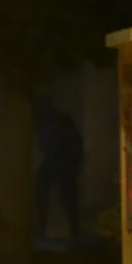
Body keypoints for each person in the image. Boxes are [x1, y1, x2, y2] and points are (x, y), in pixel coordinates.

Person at [34, 95, 83, 239]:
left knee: (66, 196)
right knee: (48, 192)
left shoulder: (59, 121)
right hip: (56, 161)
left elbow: (75, 143)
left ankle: (73, 228)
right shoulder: (44, 121)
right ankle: (44, 228)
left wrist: (74, 164)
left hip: (64, 161)